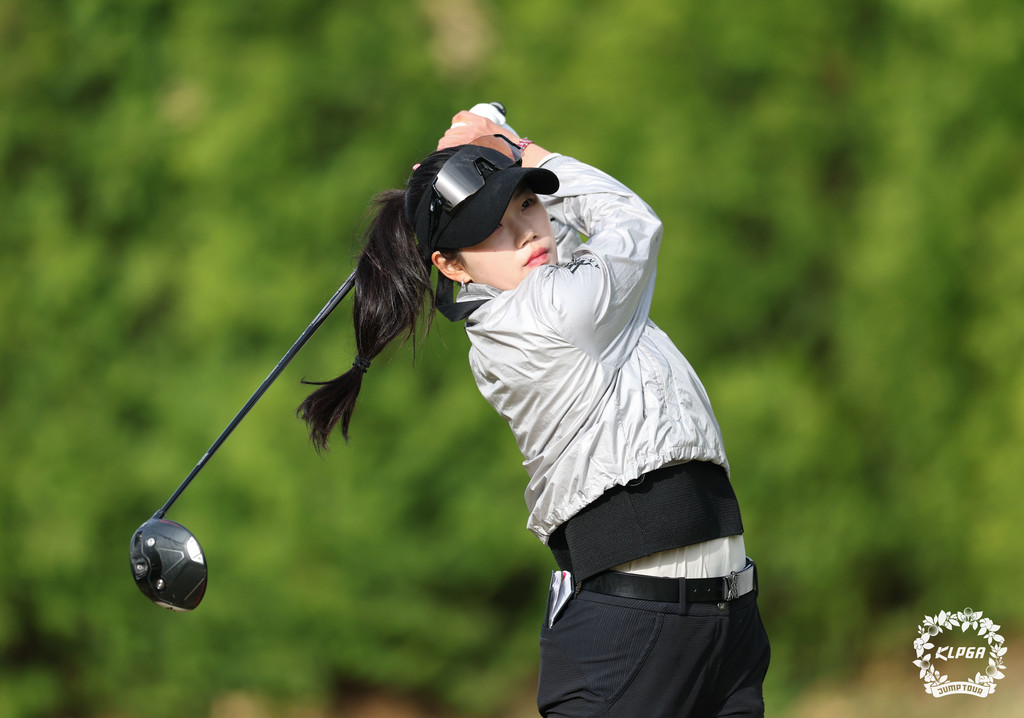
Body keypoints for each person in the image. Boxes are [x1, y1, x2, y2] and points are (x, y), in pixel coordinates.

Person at [298, 109, 770, 717]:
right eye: (491, 228)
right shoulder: (549, 313)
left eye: (526, 204)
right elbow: (629, 221)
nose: (526, 231)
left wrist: (486, 136)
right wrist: (524, 151)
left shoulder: (547, 287)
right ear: (450, 266)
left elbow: (557, 237)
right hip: (634, 630)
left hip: (724, 623)